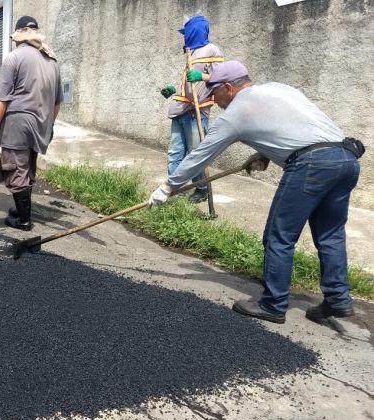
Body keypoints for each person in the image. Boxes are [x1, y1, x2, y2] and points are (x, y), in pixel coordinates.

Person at [149, 61, 364, 325]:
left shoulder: (236, 112)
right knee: (330, 234)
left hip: (311, 165)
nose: (214, 102)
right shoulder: (278, 89)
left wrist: (169, 186)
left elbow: (201, 155)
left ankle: (273, 305)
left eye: (215, 94)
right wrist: (265, 154)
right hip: (346, 158)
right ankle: (339, 299)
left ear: (228, 88)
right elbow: (297, 126)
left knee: (279, 236)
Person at [0, 16, 63, 231]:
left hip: (18, 122)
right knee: (28, 167)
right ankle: (20, 208)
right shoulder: (51, 59)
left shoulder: (14, 57)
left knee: (15, 168)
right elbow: (57, 102)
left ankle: (24, 220)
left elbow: (2, 98)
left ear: (18, 35)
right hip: (41, 125)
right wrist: (50, 126)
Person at [160, 15, 224, 204]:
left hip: (197, 110)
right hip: (180, 110)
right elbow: (187, 85)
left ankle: (202, 188)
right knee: (175, 153)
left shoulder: (211, 49)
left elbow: (221, 76)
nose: (184, 36)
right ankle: (174, 191)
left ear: (194, 31)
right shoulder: (190, 52)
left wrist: (202, 76)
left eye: (186, 32)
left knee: (195, 154)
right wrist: (174, 89)